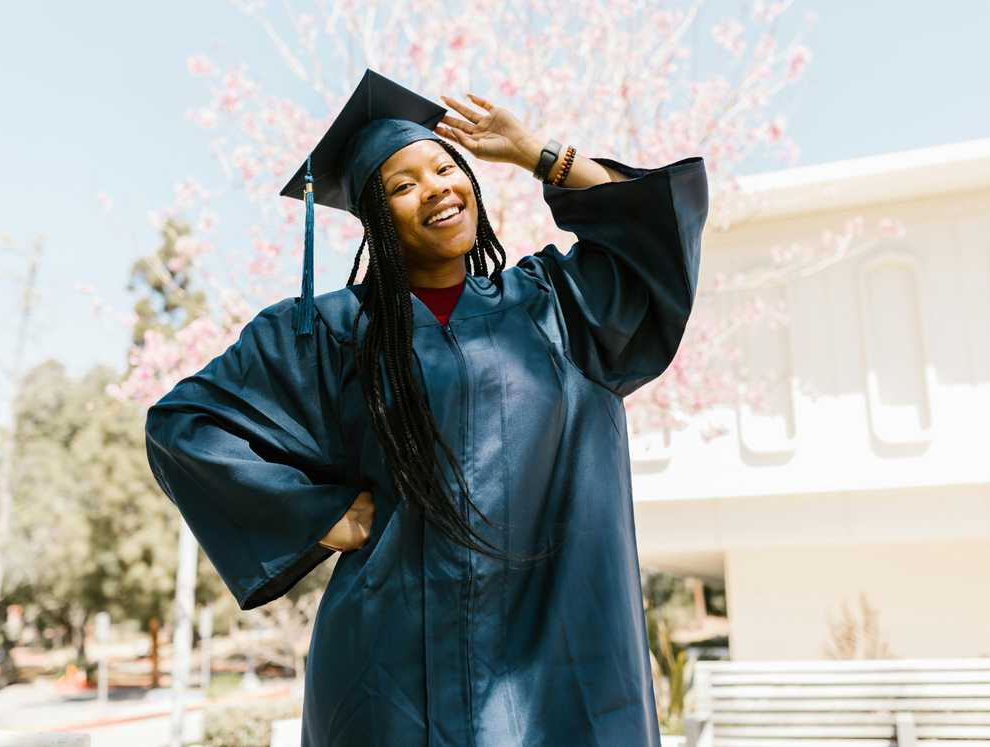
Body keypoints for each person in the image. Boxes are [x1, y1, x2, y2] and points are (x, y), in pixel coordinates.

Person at [145, 68, 708, 746]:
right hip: (391, 666)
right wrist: (318, 515)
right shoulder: (328, 333)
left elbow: (651, 232)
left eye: (446, 168)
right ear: (376, 221)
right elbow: (185, 427)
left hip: (556, 664)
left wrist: (541, 154)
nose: (436, 189)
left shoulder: (558, 306)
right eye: (403, 185)